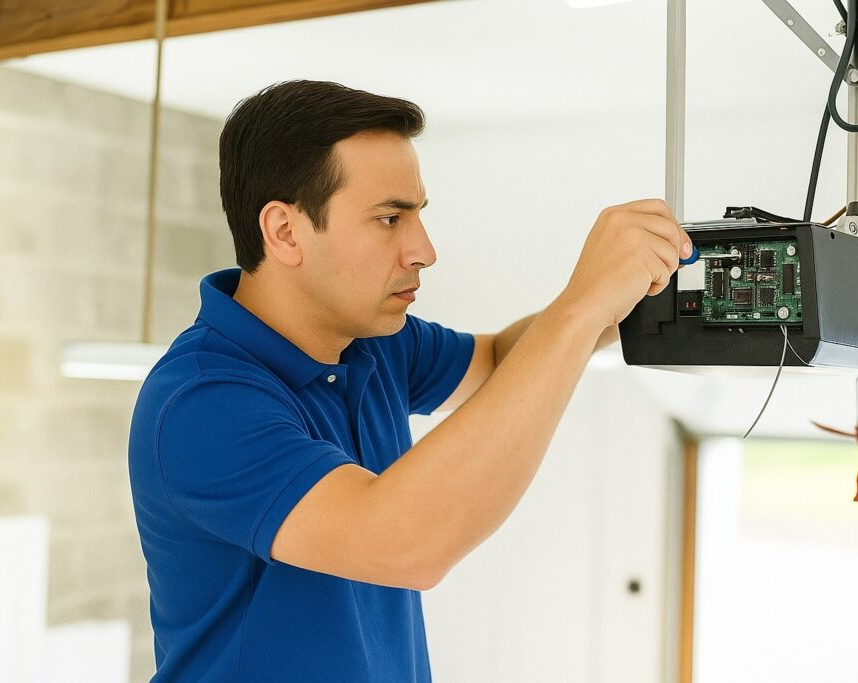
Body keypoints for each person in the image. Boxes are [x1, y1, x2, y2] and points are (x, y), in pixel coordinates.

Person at [128, 79, 691, 682]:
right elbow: (406, 544)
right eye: (389, 217)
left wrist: (625, 292)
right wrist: (582, 307)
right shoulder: (201, 402)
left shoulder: (375, 343)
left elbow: (503, 361)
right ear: (285, 231)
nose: (423, 249)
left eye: (418, 215)